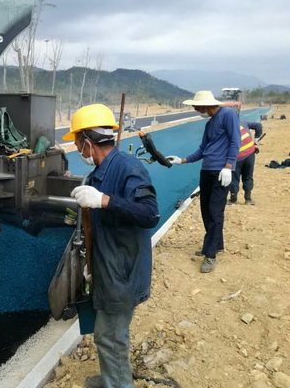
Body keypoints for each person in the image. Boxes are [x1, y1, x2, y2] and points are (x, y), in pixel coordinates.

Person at [63, 104, 160, 388]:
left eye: (78, 144)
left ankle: (118, 384)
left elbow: (150, 214)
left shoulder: (128, 168)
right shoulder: (102, 169)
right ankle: (112, 379)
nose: (78, 149)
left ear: (87, 143)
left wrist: (104, 200)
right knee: (108, 331)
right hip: (110, 266)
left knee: (111, 335)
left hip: (123, 270)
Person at [166, 91, 240, 273]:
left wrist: (229, 166)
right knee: (206, 211)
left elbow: (235, 141)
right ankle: (216, 245)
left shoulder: (228, 115)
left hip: (221, 171)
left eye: (196, 106)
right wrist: (182, 160)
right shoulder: (209, 124)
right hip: (206, 171)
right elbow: (202, 149)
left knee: (215, 212)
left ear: (206, 104)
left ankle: (211, 255)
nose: (195, 109)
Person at [229, 121, 263, 205]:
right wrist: (256, 139)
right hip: (250, 154)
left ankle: (233, 199)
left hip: (236, 157)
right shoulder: (243, 123)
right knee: (248, 176)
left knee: (234, 178)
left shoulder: (224, 127)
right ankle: (248, 199)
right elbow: (258, 125)